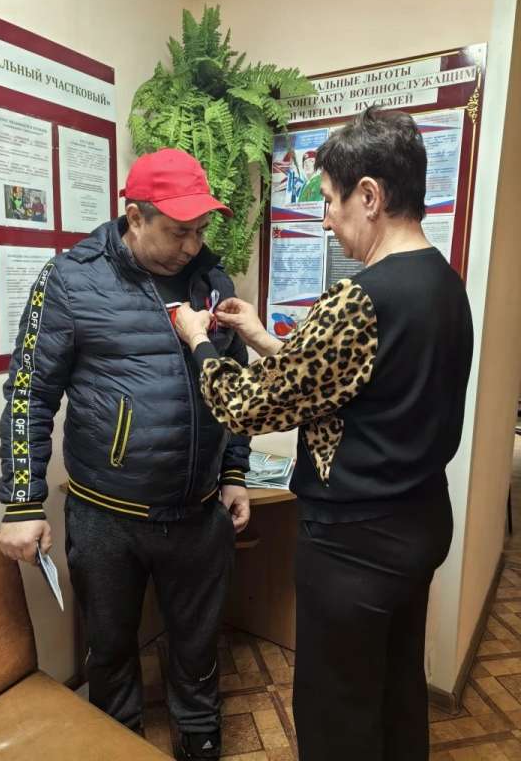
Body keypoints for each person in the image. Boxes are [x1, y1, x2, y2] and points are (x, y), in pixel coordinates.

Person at [175, 107, 473, 761]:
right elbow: (354, 382)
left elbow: (248, 408)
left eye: (332, 201)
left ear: (370, 196)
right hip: (419, 524)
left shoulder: (359, 298)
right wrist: (261, 337)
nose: (327, 219)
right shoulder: (444, 283)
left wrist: (201, 343)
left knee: (337, 714)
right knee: (395, 692)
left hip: (355, 547)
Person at [0, 148, 251, 761]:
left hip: (198, 514)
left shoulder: (213, 280)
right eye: (178, 231)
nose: (192, 245)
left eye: (200, 229)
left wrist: (234, 470)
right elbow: (30, 393)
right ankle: (117, 744)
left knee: (197, 644)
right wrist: (23, 502)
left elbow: (234, 383)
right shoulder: (69, 279)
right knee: (109, 650)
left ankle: (200, 741)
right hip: (106, 517)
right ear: (135, 217)